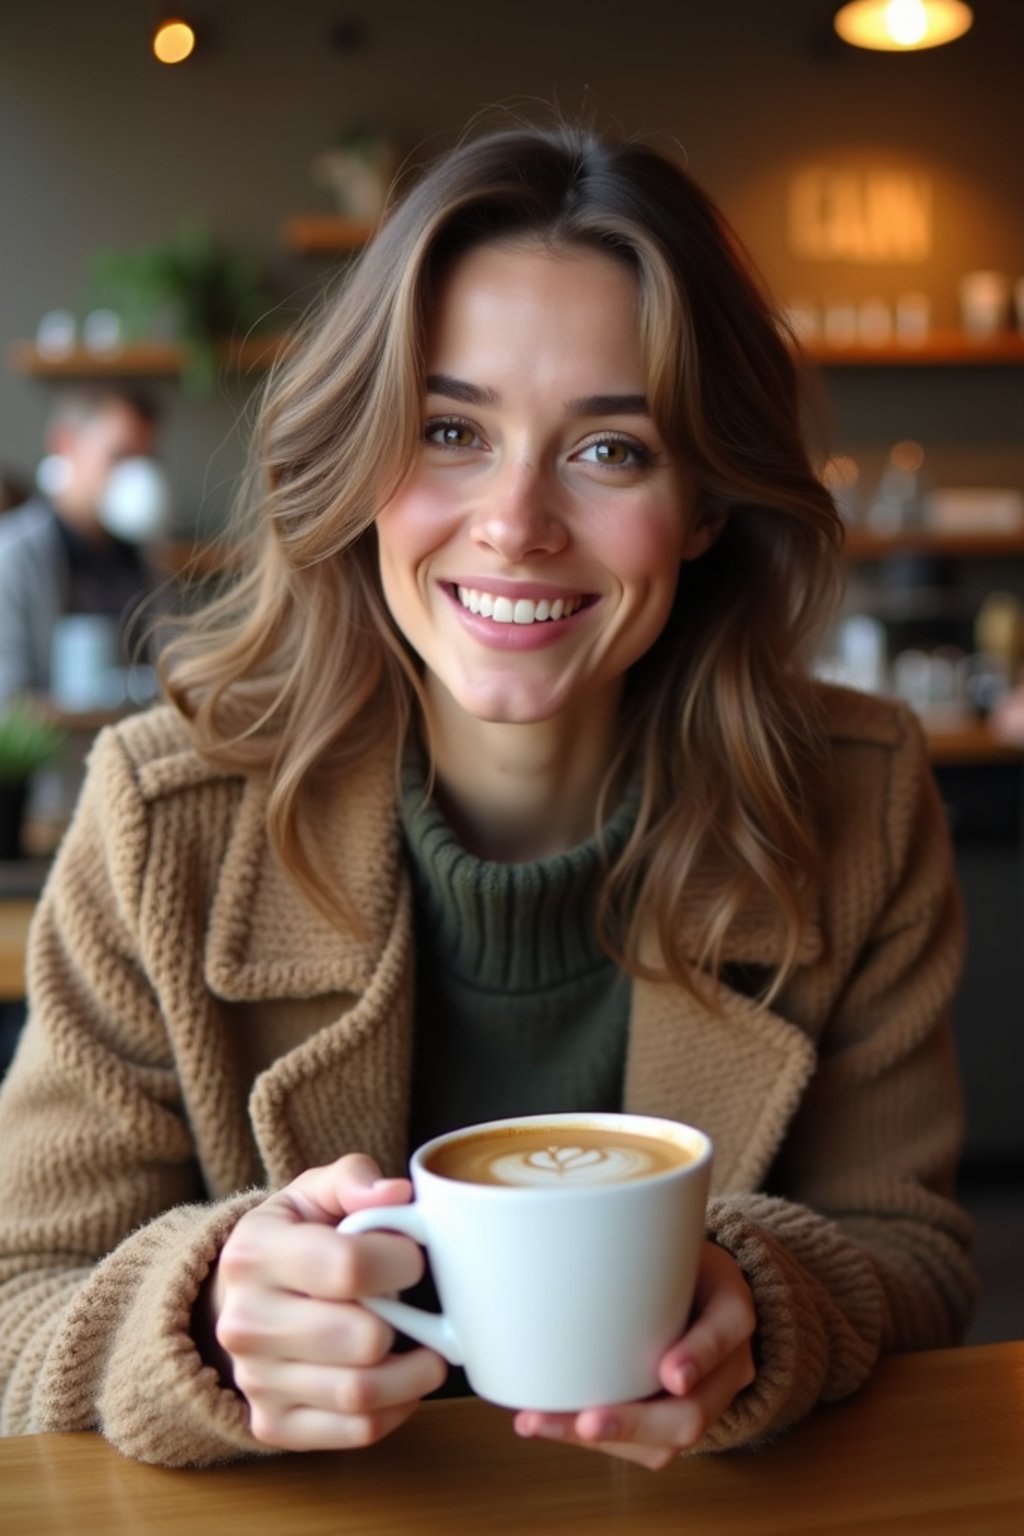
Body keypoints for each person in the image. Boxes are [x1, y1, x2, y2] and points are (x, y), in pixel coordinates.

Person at [0, 121, 975, 1471]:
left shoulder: (854, 805)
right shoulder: (163, 820)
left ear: (703, 504)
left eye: (611, 451)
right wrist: (203, 1308)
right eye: (450, 431)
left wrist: (769, 1301)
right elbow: (16, 1308)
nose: (515, 522)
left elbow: (917, 1255)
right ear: (360, 462)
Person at [0, 385, 162, 706]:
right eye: (120, 456)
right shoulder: (14, 554)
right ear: (66, 445)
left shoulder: (144, 559)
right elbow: (8, 701)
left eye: (145, 461)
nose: (135, 476)